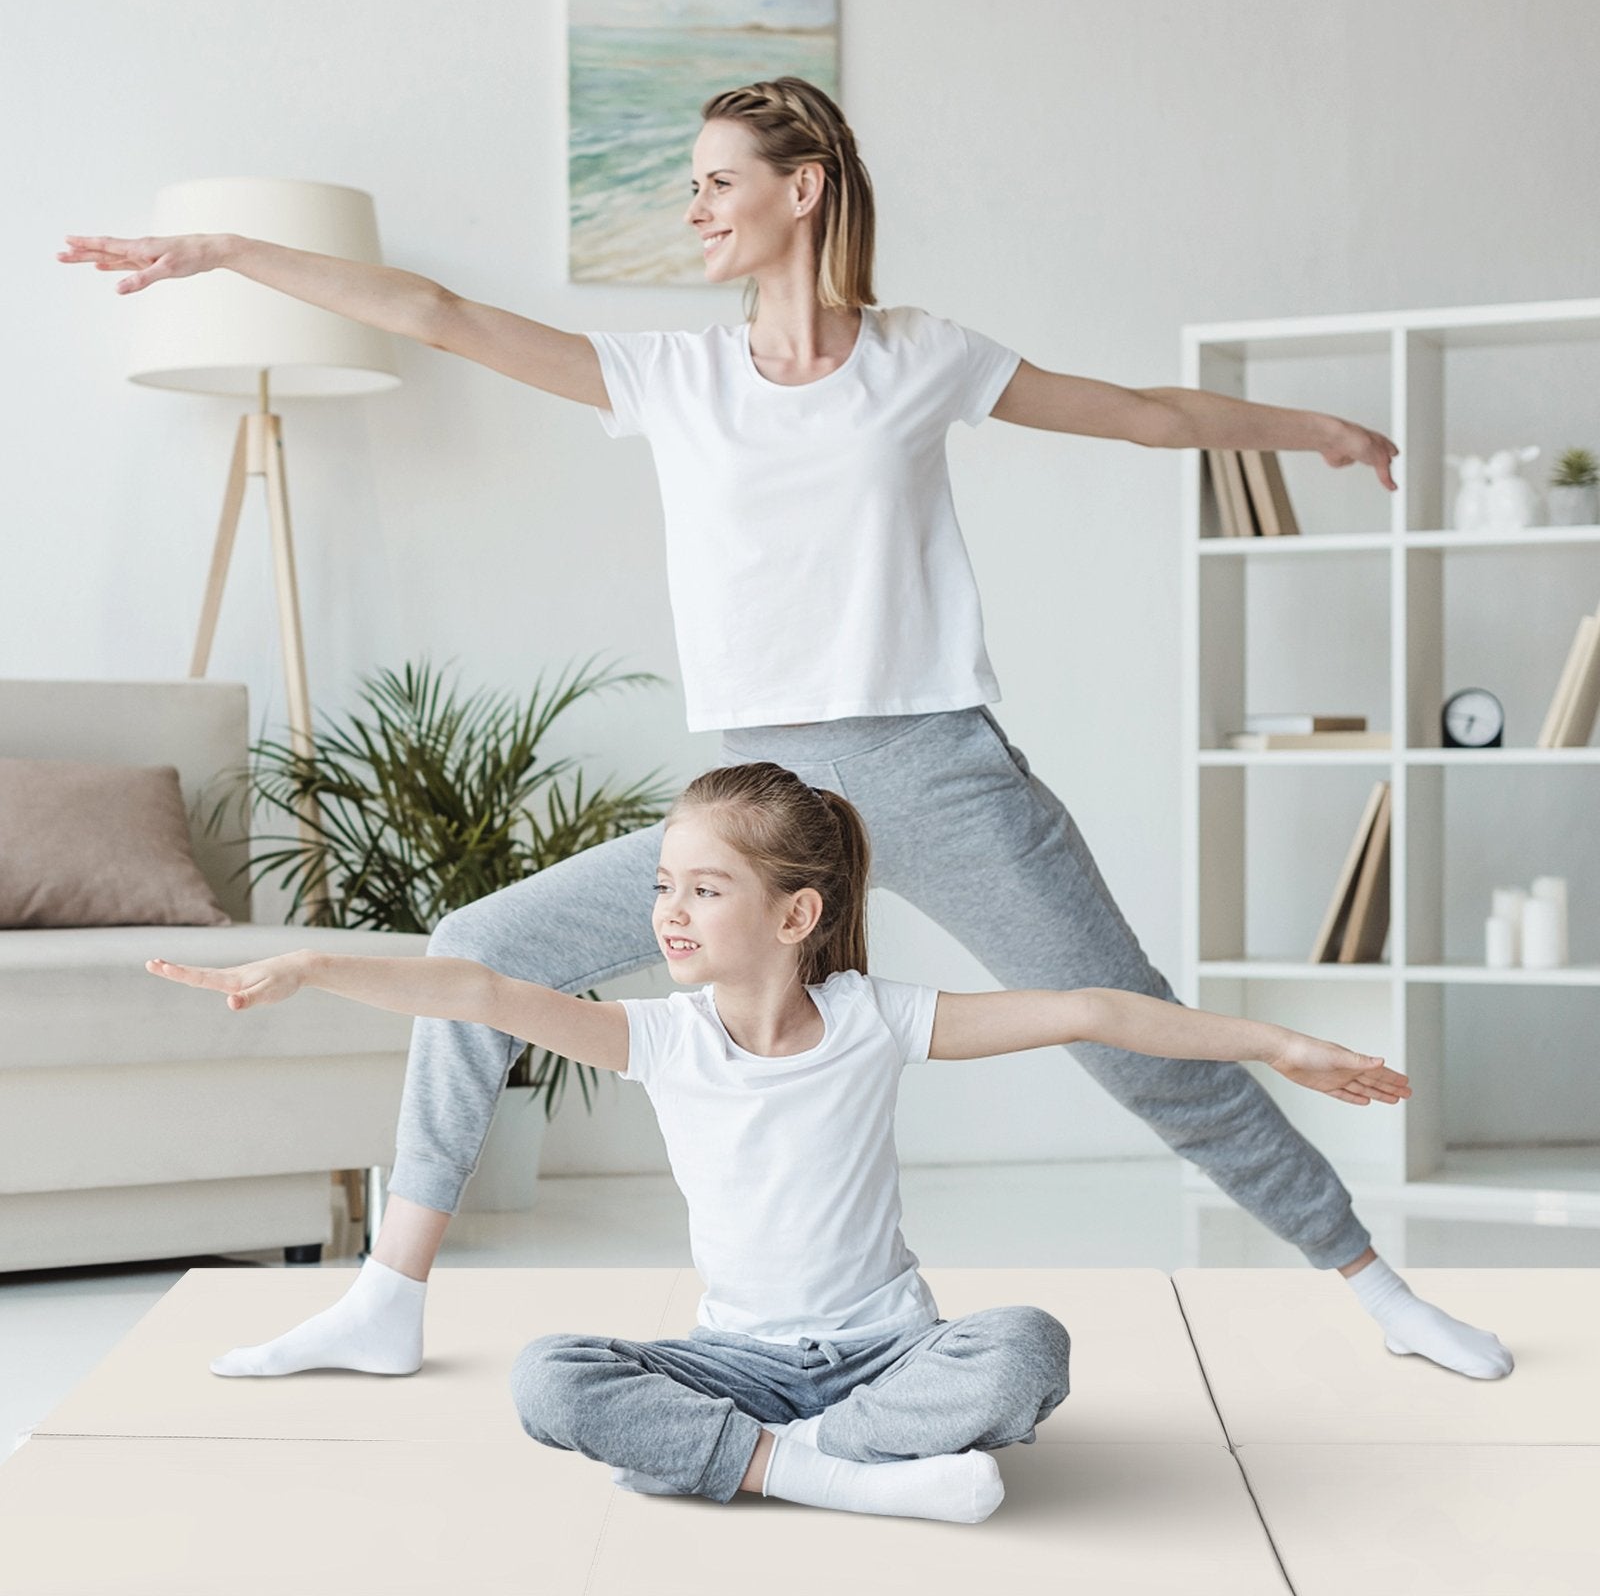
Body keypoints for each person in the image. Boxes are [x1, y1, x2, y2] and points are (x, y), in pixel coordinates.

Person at [63, 75, 1513, 1385]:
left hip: (936, 765)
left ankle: (1377, 1286)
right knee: (476, 952)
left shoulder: (922, 355)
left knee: (1140, 1045)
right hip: (755, 799)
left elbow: (1131, 413)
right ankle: (389, 1295)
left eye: (713, 181)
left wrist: (1309, 432)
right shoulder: (670, 379)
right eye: (688, 182)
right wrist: (233, 253)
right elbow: (441, 315)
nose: (690, 207)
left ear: (801, 186)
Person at [149, 763, 1417, 1523]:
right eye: (662, 885)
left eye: (703, 887)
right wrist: (310, 963)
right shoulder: (659, 1037)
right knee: (549, 1377)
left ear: (797, 912)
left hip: (888, 1347)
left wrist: (1277, 1044)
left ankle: (773, 1468)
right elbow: (475, 989)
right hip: (736, 1363)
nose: (669, 911)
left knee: (1026, 1348)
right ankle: (833, 1475)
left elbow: (1089, 1007)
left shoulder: (875, 1021)